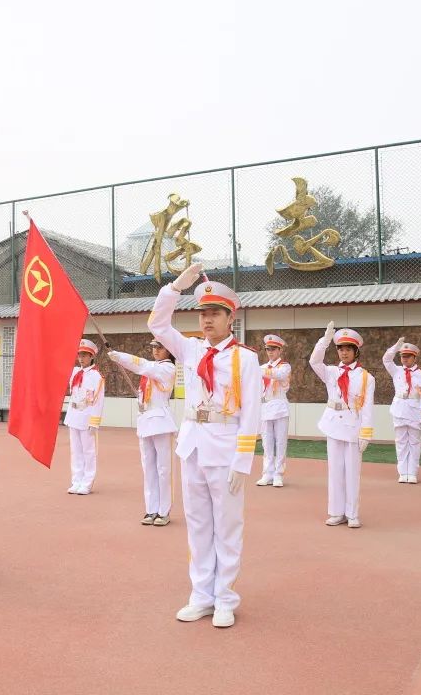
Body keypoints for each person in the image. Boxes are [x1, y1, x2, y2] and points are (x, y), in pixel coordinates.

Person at [149, 262, 261, 628]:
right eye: (203, 314)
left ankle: (226, 597)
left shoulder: (246, 358)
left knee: (227, 526)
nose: (207, 320)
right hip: (193, 445)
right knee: (198, 525)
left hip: (226, 448)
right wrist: (175, 288)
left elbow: (251, 413)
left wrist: (243, 460)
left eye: (215, 313)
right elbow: (157, 325)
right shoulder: (192, 350)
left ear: (231, 318)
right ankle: (201, 595)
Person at [309, 322, 375, 529]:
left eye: (348, 349)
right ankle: (336, 512)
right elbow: (314, 361)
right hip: (333, 424)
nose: (344, 352)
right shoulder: (330, 372)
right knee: (335, 471)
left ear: (356, 351)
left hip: (353, 425)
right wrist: (326, 339)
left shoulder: (366, 377)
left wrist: (366, 433)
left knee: (352, 472)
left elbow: (367, 406)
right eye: (340, 348)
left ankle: (352, 513)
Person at [106, 340, 178, 526]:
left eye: (160, 347)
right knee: (149, 469)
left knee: (163, 469)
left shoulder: (167, 368)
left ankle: (164, 511)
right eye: (153, 347)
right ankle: (151, 509)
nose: (155, 351)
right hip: (146, 421)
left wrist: (120, 357)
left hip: (161, 422)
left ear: (169, 351)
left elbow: (143, 366)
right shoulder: (151, 370)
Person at [382, 338, 421, 484]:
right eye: (403, 356)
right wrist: (396, 346)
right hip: (399, 410)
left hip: (415, 411)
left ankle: (412, 472)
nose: (404, 359)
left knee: (414, 443)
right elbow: (386, 359)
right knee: (401, 442)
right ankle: (403, 472)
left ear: (415, 357)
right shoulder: (396, 370)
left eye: (408, 356)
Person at [65, 339, 105, 495]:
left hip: (87, 416)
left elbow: (99, 400)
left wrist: (94, 421)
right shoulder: (75, 372)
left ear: (92, 357)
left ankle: (87, 482)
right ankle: (76, 480)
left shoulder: (97, 376)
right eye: (80, 355)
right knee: (76, 451)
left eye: (85, 355)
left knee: (88, 451)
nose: (81, 358)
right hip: (74, 415)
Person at [256, 334, 291, 488]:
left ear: (279, 350)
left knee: (281, 442)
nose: (270, 352)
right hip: (265, 407)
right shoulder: (262, 367)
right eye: (268, 349)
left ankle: (278, 474)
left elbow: (279, 375)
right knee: (267, 443)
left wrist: (256, 370)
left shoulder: (285, 366)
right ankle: (267, 473)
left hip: (280, 406)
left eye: (273, 349)